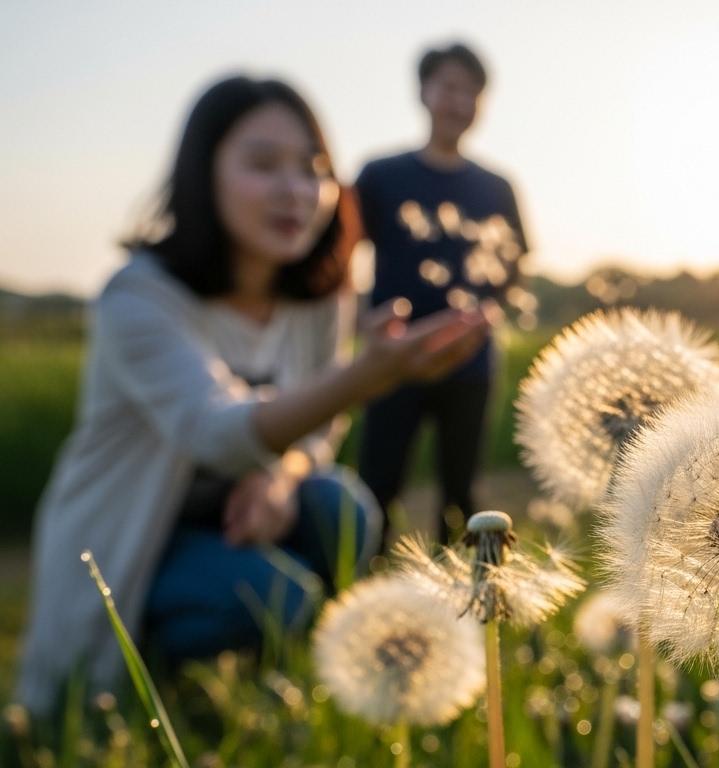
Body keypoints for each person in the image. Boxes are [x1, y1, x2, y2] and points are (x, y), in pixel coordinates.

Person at [14, 76, 487, 716]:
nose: (297, 190)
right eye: (264, 165)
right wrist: (364, 377)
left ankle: (289, 679)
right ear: (202, 173)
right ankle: (152, 690)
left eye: (313, 169)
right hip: (133, 539)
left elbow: (318, 432)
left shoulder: (317, 297)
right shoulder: (139, 298)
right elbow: (214, 429)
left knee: (343, 509)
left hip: (242, 513)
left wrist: (285, 478)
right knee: (277, 598)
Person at [355, 42, 530, 546]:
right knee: (375, 489)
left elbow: (515, 265)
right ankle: (365, 594)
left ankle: (467, 608)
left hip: (469, 364)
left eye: (472, 93)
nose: (459, 102)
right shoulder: (381, 177)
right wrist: (356, 323)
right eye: (450, 87)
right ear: (424, 92)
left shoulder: (497, 188)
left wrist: (488, 316)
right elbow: (337, 256)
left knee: (463, 500)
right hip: (393, 360)